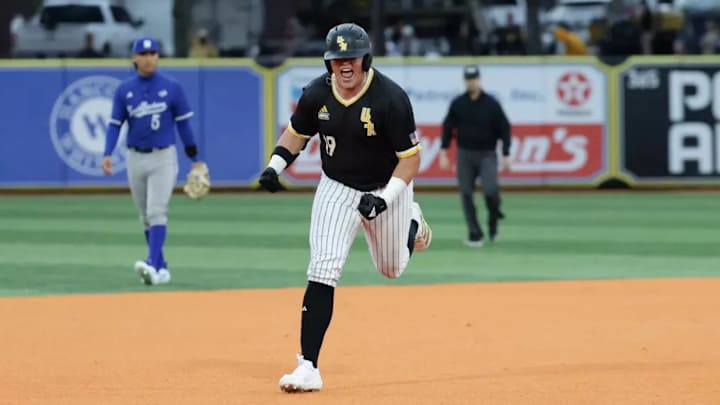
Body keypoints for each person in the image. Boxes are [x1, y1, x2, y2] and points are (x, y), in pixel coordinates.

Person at [257, 22, 432, 393]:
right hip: (337, 186)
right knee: (323, 267)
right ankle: (308, 366)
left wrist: (385, 199)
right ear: (328, 63)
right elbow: (296, 134)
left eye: (351, 57)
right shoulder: (317, 93)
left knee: (391, 268)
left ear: (365, 58)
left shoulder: (391, 99)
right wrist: (275, 166)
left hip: (388, 187)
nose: (344, 65)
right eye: (337, 59)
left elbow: (411, 160)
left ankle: (412, 221)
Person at [103, 36, 206, 285]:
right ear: (135, 58)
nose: (150, 58)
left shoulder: (172, 87)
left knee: (157, 212)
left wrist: (195, 159)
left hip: (163, 157)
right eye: (144, 54)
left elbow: (184, 127)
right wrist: (107, 153)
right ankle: (161, 267)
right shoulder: (124, 89)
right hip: (134, 157)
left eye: (154, 54)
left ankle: (151, 263)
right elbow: (115, 124)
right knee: (144, 216)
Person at [439, 65, 511, 247]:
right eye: (469, 79)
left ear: (479, 80)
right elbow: (448, 126)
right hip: (465, 154)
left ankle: (494, 218)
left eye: (474, 79)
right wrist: (444, 151)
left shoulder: (491, 104)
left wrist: (506, 153)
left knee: (490, 191)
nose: (472, 82)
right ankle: (474, 233)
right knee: (466, 193)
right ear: (465, 81)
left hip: (487, 154)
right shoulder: (459, 104)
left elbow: (504, 128)